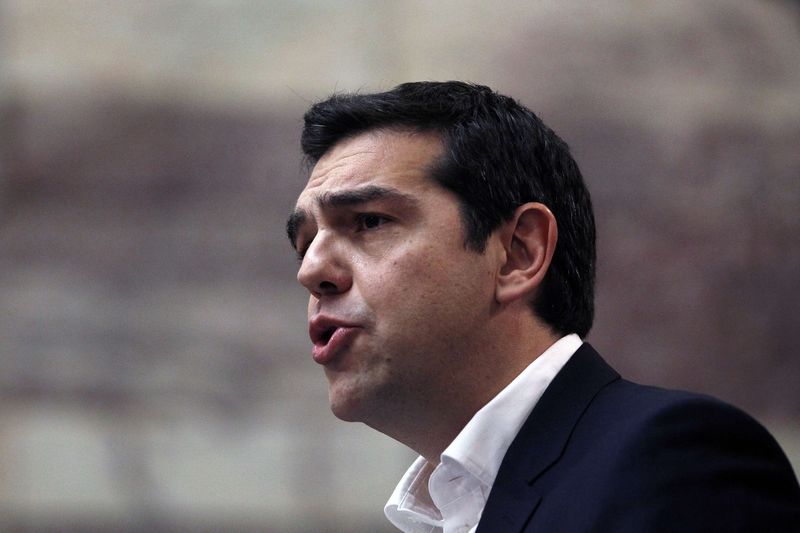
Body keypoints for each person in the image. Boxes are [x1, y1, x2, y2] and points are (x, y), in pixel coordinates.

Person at [286, 81, 800, 532]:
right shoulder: (449, 513)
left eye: (369, 221)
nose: (311, 270)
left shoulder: (675, 463)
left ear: (518, 253)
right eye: (305, 242)